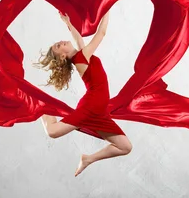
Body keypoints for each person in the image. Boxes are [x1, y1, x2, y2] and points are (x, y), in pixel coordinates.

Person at [33, 11, 132, 177]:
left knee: (125, 147)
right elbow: (102, 33)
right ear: (63, 56)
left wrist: (68, 23)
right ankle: (42, 109)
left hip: (100, 111)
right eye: (58, 46)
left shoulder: (81, 55)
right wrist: (106, 10)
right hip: (91, 107)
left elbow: (78, 39)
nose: (61, 42)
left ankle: (88, 159)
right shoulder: (81, 57)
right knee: (53, 132)